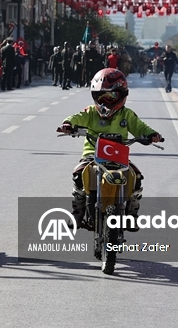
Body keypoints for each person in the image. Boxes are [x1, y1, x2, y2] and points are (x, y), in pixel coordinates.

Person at [57, 69, 163, 230]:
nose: (105, 101)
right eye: (101, 97)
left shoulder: (127, 114)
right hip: (92, 156)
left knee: (137, 177)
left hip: (119, 157)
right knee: (78, 174)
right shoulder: (91, 112)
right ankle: (77, 213)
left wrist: (152, 135)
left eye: (111, 96)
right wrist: (68, 124)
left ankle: (132, 215)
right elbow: (76, 117)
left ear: (122, 95)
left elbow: (141, 127)